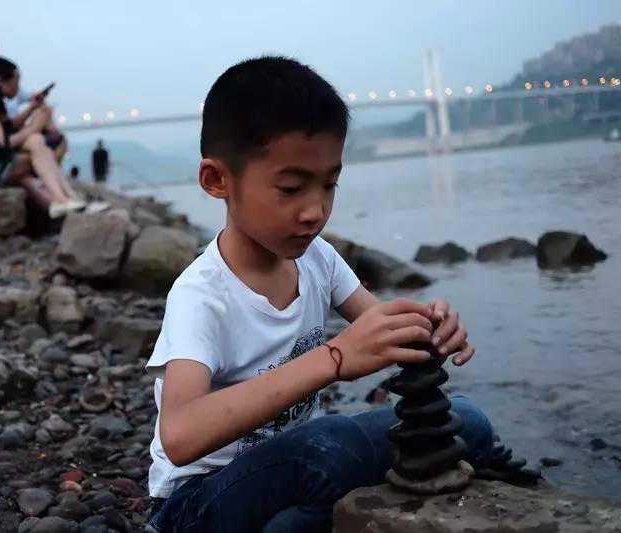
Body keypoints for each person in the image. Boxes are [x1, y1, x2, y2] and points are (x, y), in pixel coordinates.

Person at [145, 57, 491, 533]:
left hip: (299, 468)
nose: (316, 210)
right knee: (324, 450)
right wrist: (334, 359)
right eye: (291, 189)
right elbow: (180, 435)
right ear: (217, 181)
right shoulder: (200, 296)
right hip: (198, 502)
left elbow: (381, 328)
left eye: (329, 184)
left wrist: (427, 329)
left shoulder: (318, 258)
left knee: (467, 420)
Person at [0, 57, 84, 218]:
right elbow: (4, 142)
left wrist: (32, 108)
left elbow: (8, 126)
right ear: (0, 81)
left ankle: (64, 198)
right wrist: (35, 126)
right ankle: (63, 198)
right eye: (16, 81)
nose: (18, 88)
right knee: (33, 147)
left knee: (35, 141)